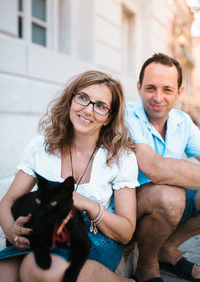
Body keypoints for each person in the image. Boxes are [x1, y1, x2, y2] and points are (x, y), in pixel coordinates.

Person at [0, 70, 138, 282]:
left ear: (109, 117)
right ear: (71, 99)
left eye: (100, 106)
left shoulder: (120, 157)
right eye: (83, 98)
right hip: (42, 232)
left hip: (91, 238)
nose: (88, 110)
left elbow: (126, 232)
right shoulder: (42, 146)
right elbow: (7, 202)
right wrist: (11, 230)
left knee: (36, 270)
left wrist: (88, 205)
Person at [126, 53, 200, 282]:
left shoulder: (182, 121)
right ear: (139, 87)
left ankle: (167, 248)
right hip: (130, 207)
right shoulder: (127, 115)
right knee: (170, 196)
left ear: (179, 92)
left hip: (170, 203)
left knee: (173, 195)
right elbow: (153, 168)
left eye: (167, 90)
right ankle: (147, 265)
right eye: (151, 88)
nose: (158, 98)